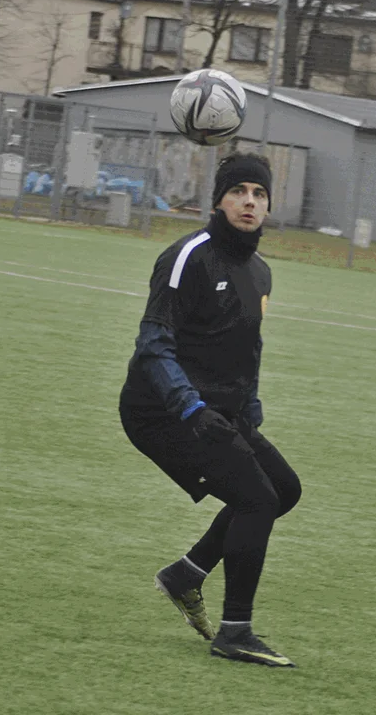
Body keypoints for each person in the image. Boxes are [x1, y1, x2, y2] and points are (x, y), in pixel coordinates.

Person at [119, 152, 301, 668]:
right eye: (238, 191)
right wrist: (190, 407)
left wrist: (250, 405)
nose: (249, 201)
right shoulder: (188, 256)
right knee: (256, 500)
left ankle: (187, 574)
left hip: (218, 408)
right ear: (218, 200)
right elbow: (153, 342)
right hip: (161, 410)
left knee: (283, 489)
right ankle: (235, 631)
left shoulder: (260, 272)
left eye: (259, 193)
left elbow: (249, 346)